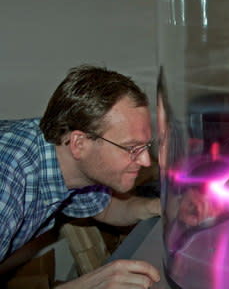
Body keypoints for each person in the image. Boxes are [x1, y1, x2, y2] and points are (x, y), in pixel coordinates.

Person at [0, 65, 162, 288]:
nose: (145, 161)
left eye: (146, 146)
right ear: (79, 144)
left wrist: (159, 207)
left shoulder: (64, 158)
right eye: (131, 148)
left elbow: (104, 209)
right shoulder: (7, 182)